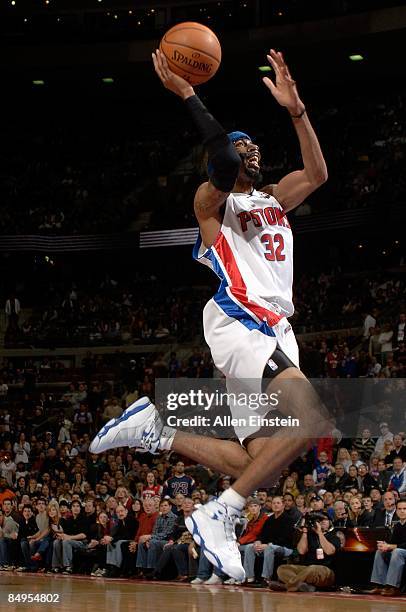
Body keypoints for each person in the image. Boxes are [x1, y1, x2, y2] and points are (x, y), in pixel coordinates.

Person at [90, 47, 329, 581]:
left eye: (254, 145)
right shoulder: (212, 204)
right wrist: (189, 94)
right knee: (312, 416)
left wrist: (297, 111)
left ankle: (158, 430)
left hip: (275, 330)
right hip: (241, 317)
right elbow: (221, 160)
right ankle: (218, 513)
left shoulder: (272, 199)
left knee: (255, 466)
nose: (251, 151)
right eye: (243, 144)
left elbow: (317, 171)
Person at [274, 514, 341, 592]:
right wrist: (305, 532)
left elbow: (329, 551)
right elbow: (301, 551)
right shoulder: (310, 536)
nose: (322, 522)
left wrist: (320, 533)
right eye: (319, 520)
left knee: (312, 568)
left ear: (330, 522)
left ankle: (287, 586)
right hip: (307, 570)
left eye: (325, 519)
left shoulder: (334, 536)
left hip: (327, 571)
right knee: (282, 568)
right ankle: (304, 586)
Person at [367, 499, 406, 596]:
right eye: (400, 509)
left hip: (401, 552)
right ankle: (380, 585)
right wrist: (384, 545)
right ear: (396, 511)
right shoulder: (397, 526)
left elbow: (396, 545)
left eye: (405, 509)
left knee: (397, 551)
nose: (402, 511)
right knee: (380, 551)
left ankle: (393, 587)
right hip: (400, 552)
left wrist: (392, 546)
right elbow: (392, 543)